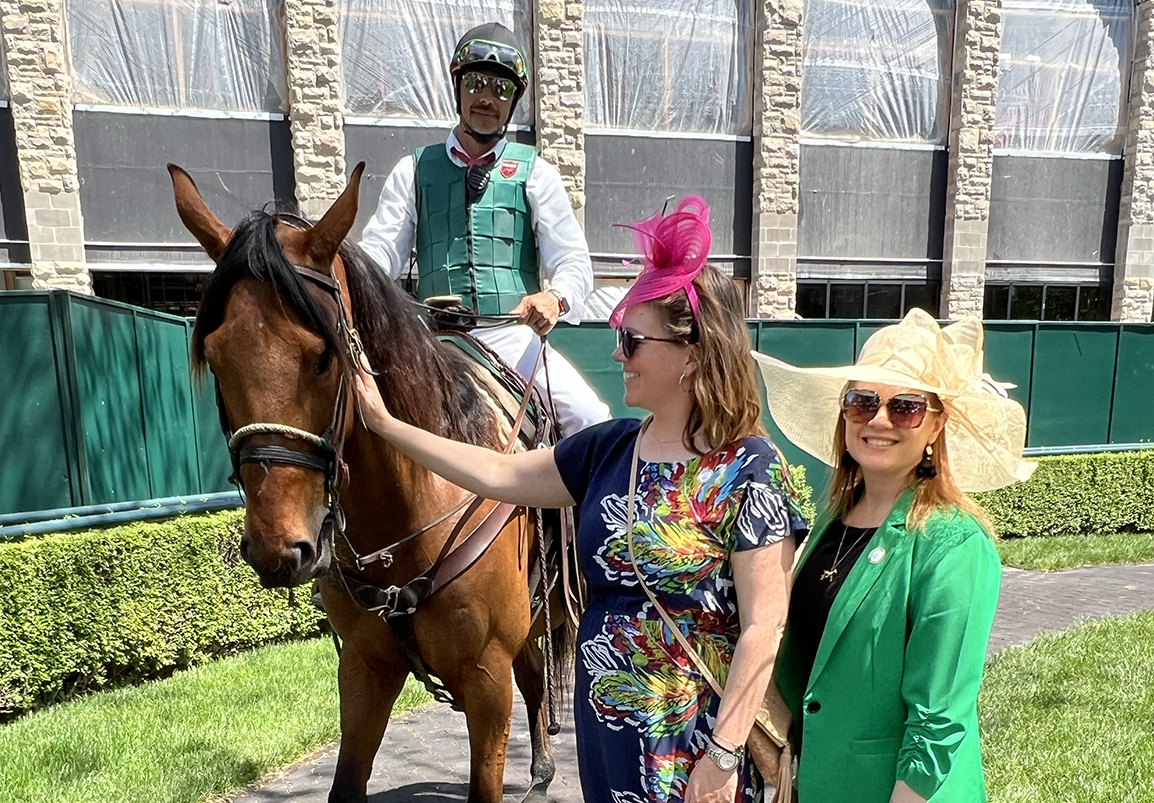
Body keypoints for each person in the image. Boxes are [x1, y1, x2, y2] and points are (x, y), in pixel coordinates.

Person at [353, 197, 809, 803]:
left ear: (693, 352)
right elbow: (496, 472)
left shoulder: (749, 469)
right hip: (608, 733)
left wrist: (723, 758)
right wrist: (386, 426)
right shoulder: (609, 450)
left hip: (697, 740)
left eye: (632, 338)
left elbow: (763, 629)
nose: (617, 352)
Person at [750, 309, 1036, 803]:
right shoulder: (829, 522)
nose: (878, 419)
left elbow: (939, 718)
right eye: (862, 401)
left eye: (904, 406)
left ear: (935, 425)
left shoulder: (954, 542)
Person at [358, 22, 610, 435]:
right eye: (476, 83)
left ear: (513, 102)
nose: (487, 98)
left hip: (512, 339)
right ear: (458, 88)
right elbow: (380, 253)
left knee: (591, 419)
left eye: (501, 89)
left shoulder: (537, 173)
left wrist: (554, 298)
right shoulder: (412, 170)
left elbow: (574, 262)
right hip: (430, 339)